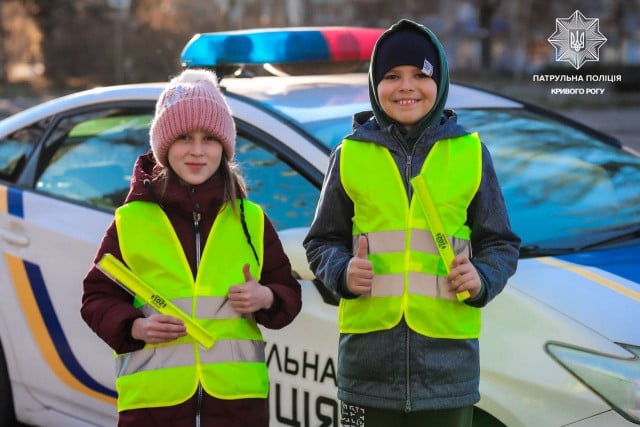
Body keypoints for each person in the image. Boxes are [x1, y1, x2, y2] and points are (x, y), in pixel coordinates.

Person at [303, 19, 520, 427]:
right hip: (366, 373)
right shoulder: (349, 155)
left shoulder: (471, 154)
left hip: (447, 375)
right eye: (391, 76)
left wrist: (483, 278)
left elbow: (501, 244)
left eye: (420, 74)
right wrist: (342, 270)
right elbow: (321, 241)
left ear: (440, 82)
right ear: (373, 83)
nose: (406, 86)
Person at [81, 68, 302, 427]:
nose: (197, 151)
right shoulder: (131, 220)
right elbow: (96, 299)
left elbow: (288, 293)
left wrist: (265, 298)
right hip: (154, 409)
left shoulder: (252, 219)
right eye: (184, 137)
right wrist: (135, 328)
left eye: (209, 138)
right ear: (164, 145)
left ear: (225, 147)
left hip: (237, 409)